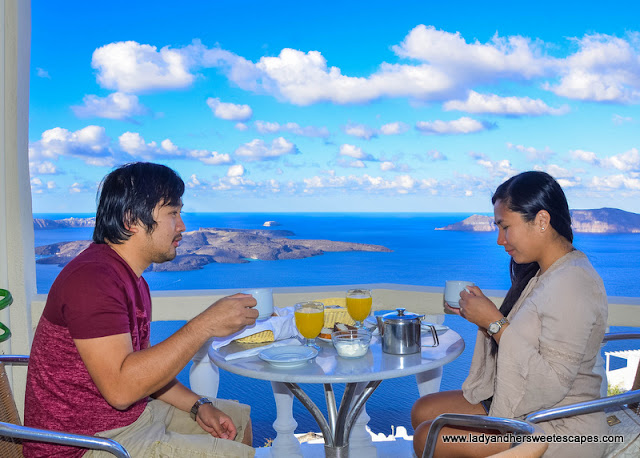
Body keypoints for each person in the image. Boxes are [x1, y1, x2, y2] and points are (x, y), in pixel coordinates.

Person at [24, 162, 258, 457]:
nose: (182, 226)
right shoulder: (92, 281)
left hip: (128, 421)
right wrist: (204, 325)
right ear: (131, 219)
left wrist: (199, 405)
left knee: (238, 421)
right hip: (84, 445)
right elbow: (122, 390)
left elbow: (142, 374)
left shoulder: (128, 278)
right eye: (172, 213)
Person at [411, 171, 608, 457]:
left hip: (560, 426)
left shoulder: (573, 283)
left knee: (428, 437)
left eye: (505, 227)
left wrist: (493, 322)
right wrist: (482, 318)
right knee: (423, 409)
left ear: (541, 220)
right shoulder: (547, 273)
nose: (500, 240)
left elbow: (551, 385)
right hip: (528, 403)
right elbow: (524, 338)